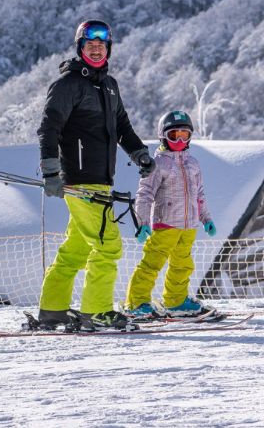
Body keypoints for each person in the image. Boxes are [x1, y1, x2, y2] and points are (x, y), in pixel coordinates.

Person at [36, 19, 155, 330]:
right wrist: (50, 170)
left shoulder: (109, 86)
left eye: (102, 44)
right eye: (90, 44)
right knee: (107, 245)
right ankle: (96, 312)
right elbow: (48, 128)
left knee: (76, 248)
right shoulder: (67, 85)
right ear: (80, 48)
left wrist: (139, 152)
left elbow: (123, 128)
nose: (97, 48)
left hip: (100, 179)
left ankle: (53, 309)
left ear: (108, 49)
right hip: (79, 179)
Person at [124, 111, 217, 318]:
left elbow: (200, 194)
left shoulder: (193, 163)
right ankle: (136, 302)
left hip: (189, 226)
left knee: (182, 265)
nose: (180, 139)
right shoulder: (158, 163)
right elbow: (145, 194)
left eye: (185, 135)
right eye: (175, 135)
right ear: (163, 136)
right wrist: (142, 222)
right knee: (151, 264)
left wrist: (206, 218)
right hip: (165, 224)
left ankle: (175, 301)